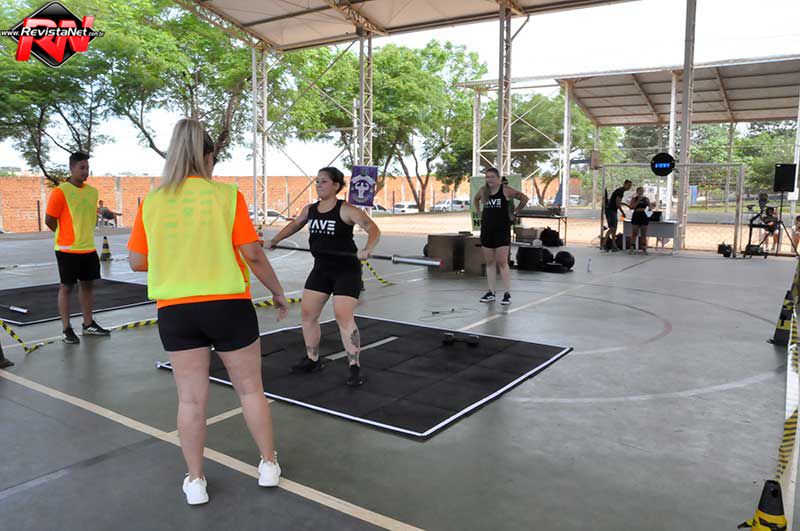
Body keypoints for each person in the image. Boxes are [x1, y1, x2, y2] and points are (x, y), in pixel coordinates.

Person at [127, 119, 290, 505]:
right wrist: (278, 292)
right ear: (208, 156)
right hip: (228, 306)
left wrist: (178, 256)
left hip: (177, 311)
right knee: (250, 389)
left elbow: (136, 261)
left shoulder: (152, 202)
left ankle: (196, 481)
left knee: (190, 400)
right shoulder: (227, 196)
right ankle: (268, 465)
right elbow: (252, 254)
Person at [268, 167, 380, 387]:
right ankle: (312, 359)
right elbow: (294, 225)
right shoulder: (310, 210)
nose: (319, 185)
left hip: (346, 270)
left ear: (336, 185)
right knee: (308, 314)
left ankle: (354, 366)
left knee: (343, 316)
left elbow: (372, 228)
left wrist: (367, 248)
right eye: (317, 181)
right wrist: (275, 240)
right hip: (321, 269)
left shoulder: (346, 209)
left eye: (324, 181)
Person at [44, 152, 111, 344]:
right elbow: (49, 220)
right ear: (71, 168)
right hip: (67, 250)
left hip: (88, 248)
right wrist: (63, 234)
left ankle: (88, 324)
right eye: (81, 167)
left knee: (88, 286)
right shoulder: (61, 191)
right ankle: (66, 329)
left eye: (87, 168)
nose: (85, 171)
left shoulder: (92, 192)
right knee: (66, 287)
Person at [473, 167, 529, 305]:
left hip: (502, 231)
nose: (489, 179)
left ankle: (507, 294)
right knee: (490, 262)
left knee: (502, 262)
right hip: (487, 230)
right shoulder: (483, 191)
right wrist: (479, 212)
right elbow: (475, 200)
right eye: (487, 177)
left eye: (492, 177)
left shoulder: (505, 190)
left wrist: (515, 212)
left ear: (498, 178)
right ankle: (491, 292)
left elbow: (524, 198)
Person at [603, 179, 632, 251]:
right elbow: (617, 204)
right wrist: (623, 212)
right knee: (612, 228)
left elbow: (616, 201)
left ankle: (613, 244)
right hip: (611, 210)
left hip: (611, 210)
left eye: (630, 186)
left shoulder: (620, 191)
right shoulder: (620, 191)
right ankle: (605, 243)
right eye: (628, 185)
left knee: (613, 228)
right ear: (625, 184)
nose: (629, 187)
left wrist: (626, 205)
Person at [629, 187, 651, 254]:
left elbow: (649, 208)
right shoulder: (634, 199)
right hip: (636, 215)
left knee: (643, 233)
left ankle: (644, 248)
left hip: (644, 216)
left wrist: (650, 208)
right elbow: (631, 207)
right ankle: (632, 248)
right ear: (637, 191)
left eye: (642, 191)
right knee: (634, 233)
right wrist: (638, 200)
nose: (641, 192)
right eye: (640, 191)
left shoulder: (646, 199)